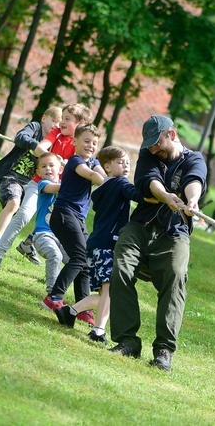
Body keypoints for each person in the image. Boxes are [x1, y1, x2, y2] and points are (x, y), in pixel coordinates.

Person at [108, 115, 206, 372]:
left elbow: (194, 181)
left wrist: (191, 201)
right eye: (149, 145)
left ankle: (164, 349)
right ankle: (128, 341)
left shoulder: (194, 159)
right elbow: (149, 182)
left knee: (175, 275)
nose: (153, 149)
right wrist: (166, 196)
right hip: (140, 226)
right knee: (120, 268)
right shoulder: (148, 154)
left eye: (157, 143)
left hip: (174, 232)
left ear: (171, 134)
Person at [54, 146, 144, 345]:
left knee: (107, 294)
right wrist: (158, 194)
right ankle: (98, 331)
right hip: (107, 245)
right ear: (107, 167)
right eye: (120, 162)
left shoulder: (103, 188)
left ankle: (69, 311)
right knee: (110, 290)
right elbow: (138, 195)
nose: (126, 166)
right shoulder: (120, 183)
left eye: (128, 163)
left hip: (94, 244)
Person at [0, 103, 91, 268]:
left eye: (67, 119)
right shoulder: (56, 133)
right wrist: (54, 160)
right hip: (38, 184)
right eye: (62, 118)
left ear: (78, 123)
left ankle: (58, 272)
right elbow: (39, 149)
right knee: (24, 215)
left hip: (61, 191)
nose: (61, 122)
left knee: (60, 230)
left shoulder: (80, 143)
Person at [41, 124, 106, 325]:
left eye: (94, 143)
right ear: (75, 141)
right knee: (79, 256)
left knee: (86, 259)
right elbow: (91, 174)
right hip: (63, 214)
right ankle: (54, 297)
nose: (90, 146)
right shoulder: (76, 162)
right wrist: (102, 179)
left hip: (77, 217)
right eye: (86, 141)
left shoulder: (93, 161)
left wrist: (107, 177)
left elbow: (100, 170)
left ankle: (82, 308)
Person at [0, 106, 61, 257]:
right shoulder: (35, 127)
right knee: (13, 204)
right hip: (11, 176)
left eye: (59, 124)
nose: (56, 126)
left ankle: (28, 244)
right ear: (44, 118)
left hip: (30, 184)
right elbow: (20, 137)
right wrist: (37, 147)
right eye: (54, 121)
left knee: (47, 210)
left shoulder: (53, 143)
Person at [31, 151, 68, 295]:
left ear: (60, 169)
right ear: (38, 172)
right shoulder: (43, 184)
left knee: (74, 261)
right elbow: (57, 188)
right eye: (44, 166)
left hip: (61, 236)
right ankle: (52, 293)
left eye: (52, 165)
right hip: (42, 235)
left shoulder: (63, 184)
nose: (48, 168)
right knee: (55, 255)